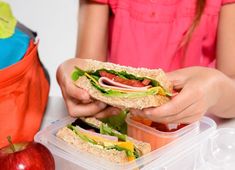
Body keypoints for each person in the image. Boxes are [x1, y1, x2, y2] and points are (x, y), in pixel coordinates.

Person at [57, 0, 235, 124]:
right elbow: (88, 72)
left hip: (195, 138)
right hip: (125, 128)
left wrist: (216, 89)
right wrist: (72, 71)